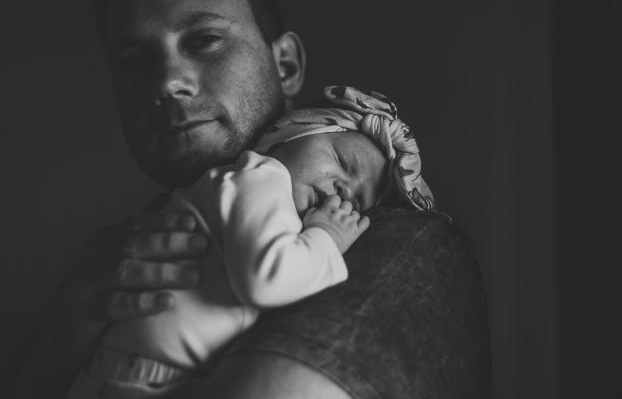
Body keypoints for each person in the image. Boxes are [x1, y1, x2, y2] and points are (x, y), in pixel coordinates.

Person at [5, 0, 490, 398]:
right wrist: (57, 339)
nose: (167, 81)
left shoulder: (389, 243)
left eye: (203, 40)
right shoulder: (107, 270)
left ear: (286, 65)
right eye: (134, 61)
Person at [68, 86, 436, 398]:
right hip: (130, 380)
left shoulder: (275, 208)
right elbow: (267, 279)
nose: (346, 190)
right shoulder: (260, 177)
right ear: (292, 134)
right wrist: (327, 237)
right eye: (342, 161)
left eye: (360, 198)